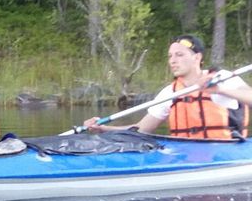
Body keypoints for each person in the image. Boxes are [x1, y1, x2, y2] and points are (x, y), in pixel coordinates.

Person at [85, 34, 252, 139]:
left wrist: (221, 90)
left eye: (179, 55)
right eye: (170, 56)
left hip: (225, 153)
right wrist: (103, 129)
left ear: (197, 58)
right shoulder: (170, 92)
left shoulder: (221, 78)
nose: (173, 60)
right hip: (185, 155)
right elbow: (141, 130)